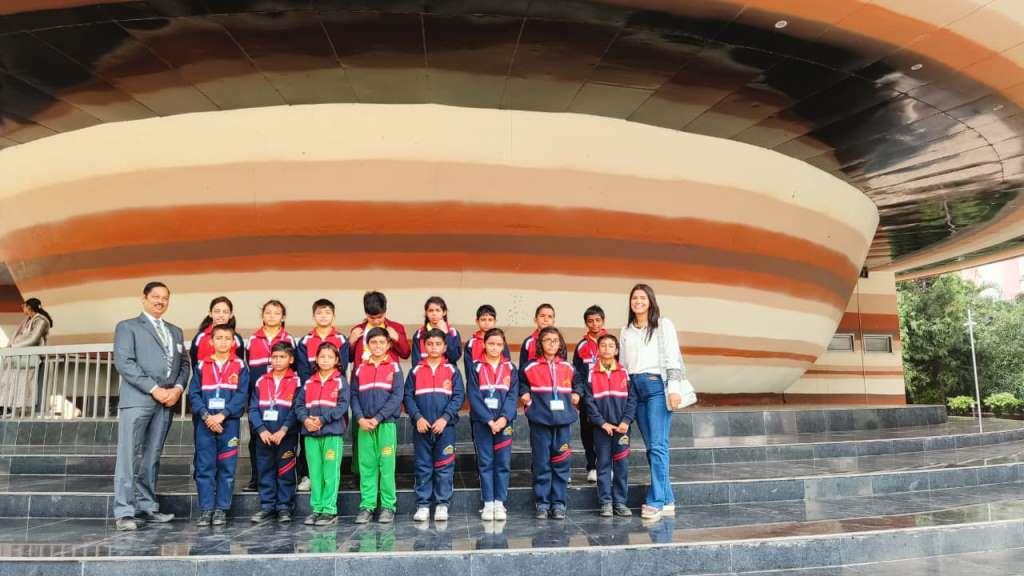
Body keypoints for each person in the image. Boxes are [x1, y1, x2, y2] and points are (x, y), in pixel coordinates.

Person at [111, 281, 189, 531]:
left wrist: (177, 389)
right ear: (144, 299)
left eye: (165, 298)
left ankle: (147, 506)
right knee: (128, 456)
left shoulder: (175, 331)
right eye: (155, 296)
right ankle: (124, 511)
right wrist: (155, 389)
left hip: (166, 403)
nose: (160, 301)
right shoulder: (127, 327)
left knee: (152, 456)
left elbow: (184, 364)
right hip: (138, 400)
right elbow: (125, 362)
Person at [619, 283, 684, 520]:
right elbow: (623, 365)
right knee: (652, 448)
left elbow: (673, 358)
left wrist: (674, 389)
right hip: (634, 388)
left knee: (658, 446)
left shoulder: (663, 325)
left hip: (657, 386)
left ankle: (655, 501)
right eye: (634, 298)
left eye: (642, 298)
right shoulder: (625, 331)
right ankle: (667, 499)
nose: (638, 301)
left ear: (651, 301)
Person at [188, 324, 250, 526]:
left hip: (229, 424)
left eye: (227, 338)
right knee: (204, 467)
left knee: (227, 467)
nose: (223, 342)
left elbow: (241, 395)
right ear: (211, 341)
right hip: (205, 424)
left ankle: (221, 510)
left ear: (233, 342)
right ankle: (206, 509)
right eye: (219, 338)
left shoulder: (240, 366)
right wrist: (207, 417)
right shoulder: (201, 365)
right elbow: (194, 394)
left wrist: (222, 415)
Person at [404, 328, 464, 523]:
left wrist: (445, 418)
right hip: (421, 427)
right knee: (423, 465)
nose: (434, 347)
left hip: (445, 428)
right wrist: (417, 418)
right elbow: (408, 397)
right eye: (430, 344)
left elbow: (458, 396)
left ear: (445, 347)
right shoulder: (415, 371)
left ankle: (442, 504)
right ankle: (423, 504)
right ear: (424, 346)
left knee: (445, 465)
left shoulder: (452, 371)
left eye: (438, 344)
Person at [520, 326, 578, 520]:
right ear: (540, 344)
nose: (552, 344)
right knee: (541, 463)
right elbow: (520, 383)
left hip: (563, 421)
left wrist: (577, 393)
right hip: (540, 420)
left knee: (562, 463)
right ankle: (542, 503)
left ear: (560, 344)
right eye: (547, 340)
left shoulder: (568, 367)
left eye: (555, 340)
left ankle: (559, 503)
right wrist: (524, 394)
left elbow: (579, 384)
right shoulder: (530, 367)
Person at [294, 298, 349, 492]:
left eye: (327, 312)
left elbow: (342, 367)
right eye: (319, 312)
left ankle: (330, 479)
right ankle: (308, 475)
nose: (323, 316)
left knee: (331, 445)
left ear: (334, 315)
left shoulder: (341, 339)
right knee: (308, 441)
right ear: (313, 315)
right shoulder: (305, 340)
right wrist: (315, 386)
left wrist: (328, 384)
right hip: (311, 395)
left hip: (332, 397)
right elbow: (302, 370)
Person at [350, 327, 404, 524]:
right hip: (364, 425)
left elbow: (397, 396)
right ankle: (367, 506)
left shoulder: (394, 368)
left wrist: (379, 417)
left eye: (382, 342)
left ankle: (388, 506)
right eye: (373, 342)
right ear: (367, 345)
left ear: (388, 345)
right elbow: (354, 396)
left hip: (385, 424)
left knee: (386, 466)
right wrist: (359, 418)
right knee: (367, 466)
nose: (378, 346)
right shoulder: (360, 369)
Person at [294, 342, 349, 526]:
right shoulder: (309, 382)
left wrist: (323, 419)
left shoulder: (340, 380)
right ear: (316, 359)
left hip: (332, 433)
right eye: (322, 356)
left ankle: (329, 510)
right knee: (315, 474)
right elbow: (299, 405)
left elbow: (342, 405)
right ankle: (317, 509)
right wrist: (305, 420)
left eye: (330, 357)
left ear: (336, 360)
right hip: (311, 435)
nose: (325, 360)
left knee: (330, 473)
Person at [466, 328, 518, 521]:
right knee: (485, 462)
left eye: (498, 344)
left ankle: (499, 502)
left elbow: (512, 396)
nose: (495, 347)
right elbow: (473, 395)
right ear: (484, 344)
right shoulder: (475, 367)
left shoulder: (511, 368)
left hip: (504, 423)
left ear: (503, 346)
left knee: (503, 462)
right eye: (491, 344)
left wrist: (503, 419)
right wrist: (488, 420)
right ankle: (488, 502)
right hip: (483, 422)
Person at [582, 334, 635, 518]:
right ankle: (605, 502)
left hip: (622, 429)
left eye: (611, 345)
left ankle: (620, 502)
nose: (607, 348)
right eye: (603, 345)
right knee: (603, 464)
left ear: (617, 350)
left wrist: (626, 421)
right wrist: (601, 423)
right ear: (598, 350)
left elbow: (632, 399)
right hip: (601, 429)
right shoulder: (591, 373)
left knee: (622, 466)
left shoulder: (624, 373)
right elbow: (589, 402)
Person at [248, 341, 301, 524]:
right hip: (264, 436)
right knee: (265, 470)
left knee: (286, 471)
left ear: (291, 359)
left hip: (286, 435)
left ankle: (284, 507)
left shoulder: (297, 381)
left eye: (282, 357)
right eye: (275, 357)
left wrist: (284, 430)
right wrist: (261, 430)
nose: (277, 360)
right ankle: (267, 507)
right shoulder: (261, 380)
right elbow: (253, 408)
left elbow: (296, 409)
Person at [245, 300, 295, 492]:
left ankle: (286, 480)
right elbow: (247, 368)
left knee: (286, 443)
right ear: (262, 315)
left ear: (283, 317)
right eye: (268, 312)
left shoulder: (289, 339)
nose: (272, 316)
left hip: (283, 400)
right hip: (260, 398)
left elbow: (295, 369)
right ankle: (256, 478)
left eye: (276, 313)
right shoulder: (252, 339)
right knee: (257, 438)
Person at [572, 305, 606, 484]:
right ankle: (592, 466)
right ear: (586, 323)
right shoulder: (582, 345)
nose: (595, 324)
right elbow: (576, 372)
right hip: (587, 396)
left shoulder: (610, 342)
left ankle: (606, 466)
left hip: (607, 395)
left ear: (603, 321)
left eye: (598, 320)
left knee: (606, 430)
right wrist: (579, 393)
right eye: (590, 321)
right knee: (587, 432)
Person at [4, 297, 52, 415]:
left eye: (23, 306)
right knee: (13, 380)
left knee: (25, 384)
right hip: (21, 357)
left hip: (31, 357)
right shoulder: (29, 320)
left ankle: (20, 409)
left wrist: (13, 347)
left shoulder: (41, 320)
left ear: (29, 307)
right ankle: (8, 406)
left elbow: (33, 339)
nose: (22, 309)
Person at [189, 296, 246, 370]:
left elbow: (240, 365)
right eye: (217, 311)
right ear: (210, 313)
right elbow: (194, 363)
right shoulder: (200, 338)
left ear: (231, 315)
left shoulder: (236, 339)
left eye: (225, 312)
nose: (221, 315)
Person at [462, 304, 510, 380]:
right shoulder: (470, 344)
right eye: (483, 319)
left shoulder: (500, 342)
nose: (487, 323)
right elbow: (468, 369)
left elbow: (506, 364)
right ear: (477, 321)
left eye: (490, 320)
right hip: (477, 383)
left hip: (498, 384)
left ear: (495, 321)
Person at [410, 296, 462, 365]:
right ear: (426, 313)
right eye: (431, 310)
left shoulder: (453, 332)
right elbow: (416, 362)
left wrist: (446, 334)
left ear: (444, 312)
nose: (434, 314)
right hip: (425, 371)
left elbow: (454, 357)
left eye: (438, 310)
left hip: (446, 371)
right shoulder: (419, 334)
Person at [518, 303, 558, 382]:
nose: (546, 319)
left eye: (549, 316)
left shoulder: (559, 342)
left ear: (553, 321)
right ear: (535, 319)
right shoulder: (528, 342)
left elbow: (562, 366)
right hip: (532, 385)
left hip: (553, 384)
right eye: (542, 316)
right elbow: (522, 369)